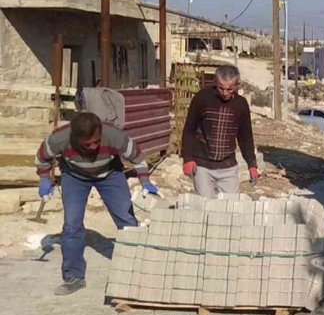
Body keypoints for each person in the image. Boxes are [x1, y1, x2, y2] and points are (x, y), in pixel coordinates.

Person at [34, 111, 158, 295]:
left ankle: (138, 267)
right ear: (75, 138)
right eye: (87, 144)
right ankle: (73, 276)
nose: (93, 146)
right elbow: (41, 158)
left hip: (110, 174)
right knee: (72, 225)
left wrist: (145, 180)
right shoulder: (59, 138)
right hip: (74, 176)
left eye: (96, 141)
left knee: (126, 219)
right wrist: (44, 179)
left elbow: (138, 156)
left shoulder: (113, 136)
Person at [181, 65, 259, 197]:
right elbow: (189, 129)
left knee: (231, 208)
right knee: (206, 207)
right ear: (215, 83)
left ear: (237, 85)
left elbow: (245, 137)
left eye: (230, 89)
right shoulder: (202, 98)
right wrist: (187, 158)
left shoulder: (241, 105)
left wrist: (252, 164)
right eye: (221, 88)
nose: (225, 93)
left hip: (228, 166)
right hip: (202, 165)